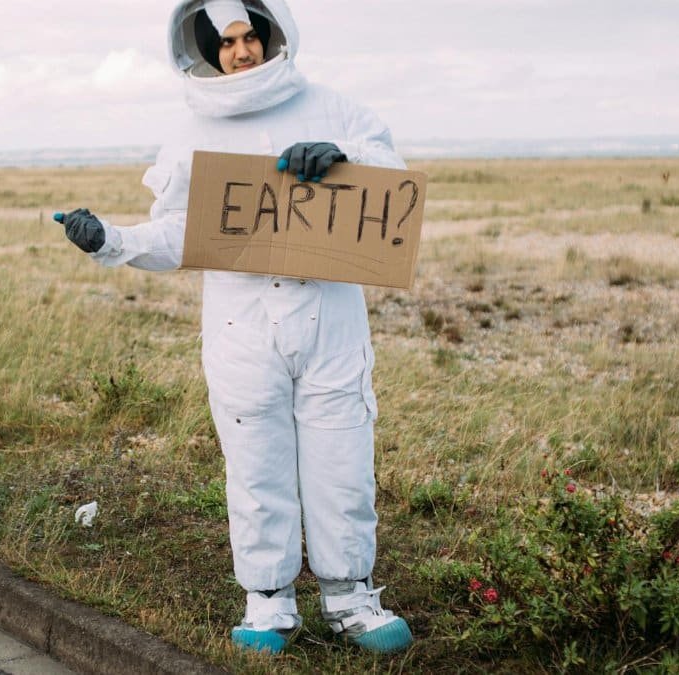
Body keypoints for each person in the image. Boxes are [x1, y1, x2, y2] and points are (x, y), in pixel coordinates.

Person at [54, 0, 412, 655]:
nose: (242, 52)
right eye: (228, 42)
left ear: (272, 35)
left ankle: (352, 596)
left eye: (250, 37)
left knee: (342, 460)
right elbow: (176, 233)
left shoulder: (333, 108)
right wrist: (110, 238)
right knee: (256, 461)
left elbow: (391, 183)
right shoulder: (191, 129)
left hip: (329, 314)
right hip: (240, 322)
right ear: (208, 51)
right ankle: (268, 600)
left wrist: (344, 162)